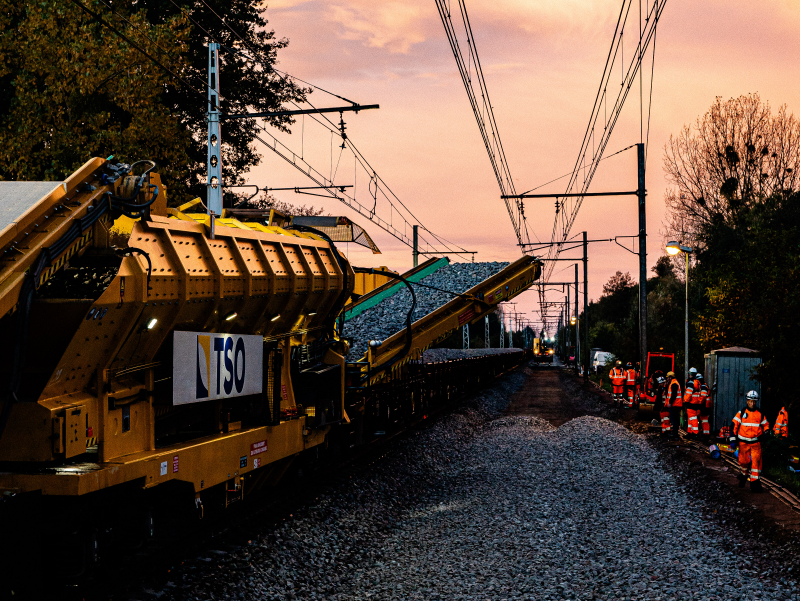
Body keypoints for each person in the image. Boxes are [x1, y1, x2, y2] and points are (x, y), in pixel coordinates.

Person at [730, 391, 769, 492]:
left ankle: (755, 484)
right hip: (743, 443)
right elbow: (734, 426)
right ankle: (744, 475)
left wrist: (766, 433)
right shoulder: (741, 413)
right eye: (750, 401)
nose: (752, 403)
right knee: (744, 462)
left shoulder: (760, 414)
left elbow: (766, 426)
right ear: (747, 401)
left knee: (756, 462)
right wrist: (733, 440)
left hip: (756, 443)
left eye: (754, 402)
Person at [664, 371, 682, 439]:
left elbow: (673, 395)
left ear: (670, 377)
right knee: (675, 419)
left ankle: (675, 434)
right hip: (676, 404)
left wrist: (670, 403)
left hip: (675, 405)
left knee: (674, 419)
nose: (667, 379)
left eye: (668, 377)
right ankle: (675, 433)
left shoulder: (674, 384)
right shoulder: (674, 383)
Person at [696, 373, 711, 440]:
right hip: (705, 405)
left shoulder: (703, 386)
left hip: (704, 405)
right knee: (704, 420)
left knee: (704, 420)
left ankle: (705, 435)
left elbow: (703, 397)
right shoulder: (704, 385)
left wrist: (699, 404)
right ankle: (704, 434)